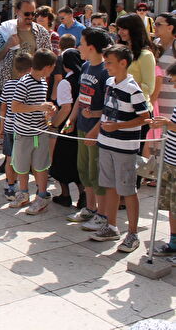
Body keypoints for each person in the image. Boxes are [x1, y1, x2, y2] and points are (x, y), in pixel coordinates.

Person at [90, 45, 149, 252]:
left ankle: (132, 233)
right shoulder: (108, 82)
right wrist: (98, 131)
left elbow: (144, 117)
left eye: (110, 63)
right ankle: (111, 225)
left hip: (124, 148)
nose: (106, 67)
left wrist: (119, 126)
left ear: (123, 63)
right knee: (109, 186)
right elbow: (107, 111)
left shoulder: (133, 89)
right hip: (106, 143)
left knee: (127, 189)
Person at [65, 28, 111, 227]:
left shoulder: (106, 71)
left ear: (91, 47)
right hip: (82, 128)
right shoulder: (85, 67)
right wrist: (72, 119)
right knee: (84, 170)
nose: (78, 47)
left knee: (96, 172)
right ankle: (90, 208)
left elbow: (110, 108)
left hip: (96, 132)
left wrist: (94, 124)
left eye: (81, 44)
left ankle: (101, 214)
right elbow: (80, 98)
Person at [8, 49, 57, 213]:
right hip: (23, 133)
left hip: (40, 132)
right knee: (21, 165)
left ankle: (42, 196)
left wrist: (48, 110)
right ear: (47, 67)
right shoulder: (24, 83)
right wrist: (39, 107)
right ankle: (23, 193)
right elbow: (15, 107)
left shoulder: (43, 82)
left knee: (41, 165)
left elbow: (39, 104)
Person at [145, 62, 176, 262]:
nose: (173, 85)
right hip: (171, 159)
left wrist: (168, 124)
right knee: (172, 205)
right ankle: (173, 241)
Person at [49, 49, 84, 207]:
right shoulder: (84, 78)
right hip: (82, 126)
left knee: (60, 163)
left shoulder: (66, 82)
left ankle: (65, 194)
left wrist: (54, 124)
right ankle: (83, 195)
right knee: (79, 162)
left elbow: (65, 108)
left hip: (67, 127)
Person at [0, 52, 32, 199]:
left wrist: (2, 127)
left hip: (9, 127)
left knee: (9, 158)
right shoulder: (30, 85)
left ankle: (9, 184)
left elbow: (3, 108)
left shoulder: (8, 85)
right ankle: (15, 182)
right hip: (23, 129)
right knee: (20, 159)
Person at [116, 14, 157, 107]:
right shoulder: (119, 51)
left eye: (124, 29)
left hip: (138, 109)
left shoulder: (146, 55)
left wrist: (125, 82)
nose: (120, 32)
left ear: (134, 30)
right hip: (118, 106)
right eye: (119, 29)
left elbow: (149, 88)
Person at [154, 13, 176, 120]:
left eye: (158, 24)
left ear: (170, 28)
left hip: (172, 102)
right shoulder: (155, 43)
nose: (154, 26)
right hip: (155, 101)